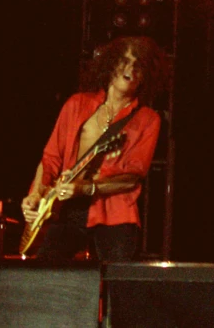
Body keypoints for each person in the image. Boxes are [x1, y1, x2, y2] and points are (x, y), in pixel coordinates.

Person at [21, 36, 167, 261]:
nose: (131, 68)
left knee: (114, 284)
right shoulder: (77, 104)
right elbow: (50, 159)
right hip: (65, 209)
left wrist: (86, 188)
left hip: (115, 215)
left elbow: (132, 177)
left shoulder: (148, 119)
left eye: (139, 65)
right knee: (45, 276)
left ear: (146, 75)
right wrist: (35, 194)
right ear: (110, 64)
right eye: (125, 61)